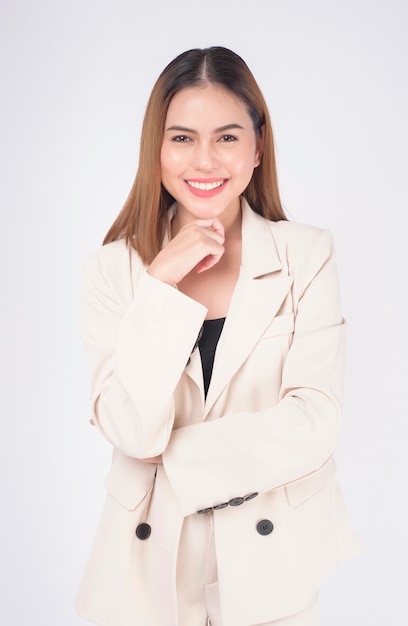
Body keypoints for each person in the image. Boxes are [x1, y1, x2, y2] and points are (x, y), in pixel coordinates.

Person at [75, 46, 361, 626]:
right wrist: (160, 285)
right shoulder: (114, 269)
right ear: (155, 149)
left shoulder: (305, 254)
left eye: (227, 137)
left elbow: (313, 422)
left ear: (258, 147)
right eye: (181, 138)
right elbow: (132, 430)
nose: (204, 160)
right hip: (145, 567)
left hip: (275, 563)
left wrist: (167, 461)